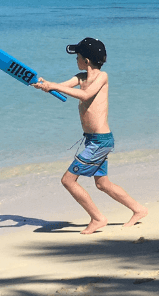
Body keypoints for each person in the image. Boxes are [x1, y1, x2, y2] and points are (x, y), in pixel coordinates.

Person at [32, 37, 147, 234]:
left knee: (68, 180)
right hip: (93, 140)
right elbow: (62, 85)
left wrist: (55, 86)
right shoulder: (80, 77)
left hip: (100, 141)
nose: (75, 59)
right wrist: (45, 84)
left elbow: (85, 95)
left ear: (86, 60)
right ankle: (139, 209)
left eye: (77, 56)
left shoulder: (102, 77)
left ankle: (97, 218)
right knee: (103, 184)